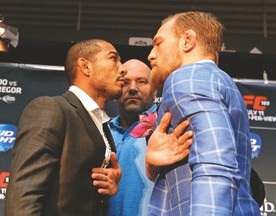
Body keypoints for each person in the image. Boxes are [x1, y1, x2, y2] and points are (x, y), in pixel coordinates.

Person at [5, 39, 193, 216]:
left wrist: (108, 191)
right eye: (114, 59)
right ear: (86, 67)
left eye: (142, 81)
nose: (123, 71)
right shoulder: (51, 108)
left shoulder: (102, 125)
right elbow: (24, 194)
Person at [146, 11, 262, 215]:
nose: (151, 54)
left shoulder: (187, 78)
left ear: (187, 41)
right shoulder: (221, 81)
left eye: (158, 43)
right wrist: (152, 166)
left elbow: (216, 167)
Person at [107, 59, 157, 216]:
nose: (133, 88)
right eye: (125, 82)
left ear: (155, 91)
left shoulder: (166, 130)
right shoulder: (101, 131)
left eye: (141, 82)